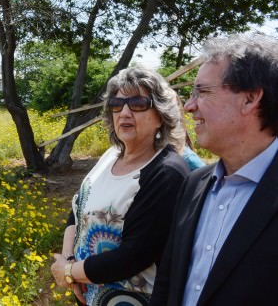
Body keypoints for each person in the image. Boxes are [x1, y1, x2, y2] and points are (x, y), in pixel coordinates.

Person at [150, 32, 278, 306]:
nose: (188, 106)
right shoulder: (195, 183)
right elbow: (168, 281)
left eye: (203, 92)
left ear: (250, 98)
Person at [51, 66, 190, 305]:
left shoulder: (166, 172)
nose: (124, 112)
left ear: (160, 115)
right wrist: (69, 261)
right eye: (117, 104)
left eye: (137, 104)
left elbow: (134, 255)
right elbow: (77, 210)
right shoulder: (110, 156)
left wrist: (69, 272)